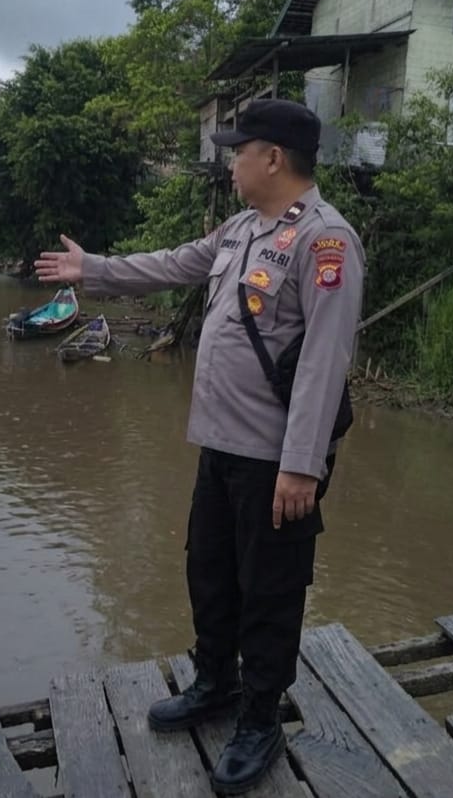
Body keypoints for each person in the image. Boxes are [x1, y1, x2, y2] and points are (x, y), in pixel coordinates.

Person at [34, 98, 364, 794]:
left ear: (273, 158)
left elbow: (324, 361)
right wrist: (93, 268)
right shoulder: (241, 230)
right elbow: (172, 264)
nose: (231, 162)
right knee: (208, 570)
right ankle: (215, 682)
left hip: (277, 460)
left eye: (239, 151)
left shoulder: (325, 241)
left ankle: (261, 719)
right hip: (219, 446)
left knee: (270, 590)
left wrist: (302, 466)